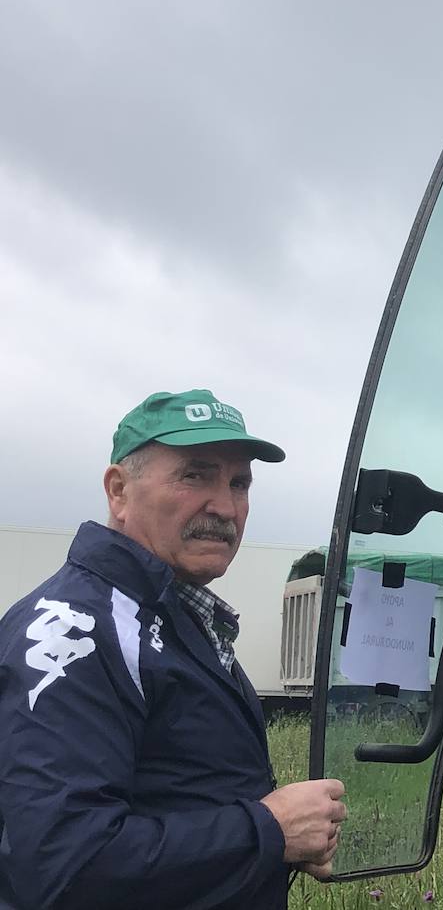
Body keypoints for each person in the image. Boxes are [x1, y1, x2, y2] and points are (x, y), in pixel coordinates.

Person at [0, 389, 346, 909]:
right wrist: (269, 830)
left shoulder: (171, 618)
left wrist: (280, 841)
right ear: (119, 491)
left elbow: (180, 793)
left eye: (239, 482)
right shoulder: (75, 632)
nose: (225, 506)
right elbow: (64, 868)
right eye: (194, 475)